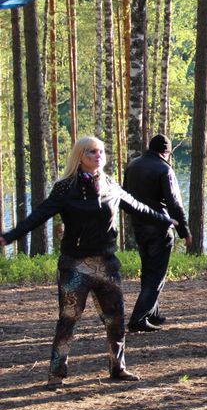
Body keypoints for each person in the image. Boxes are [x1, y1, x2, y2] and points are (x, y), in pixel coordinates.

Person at [0, 136, 174, 389]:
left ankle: (118, 368)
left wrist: (166, 220)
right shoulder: (65, 188)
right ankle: (56, 373)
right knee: (68, 319)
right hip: (74, 266)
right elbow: (39, 215)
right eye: (91, 152)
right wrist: (9, 236)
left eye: (101, 151)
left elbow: (138, 207)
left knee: (115, 319)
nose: (98, 155)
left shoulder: (110, 185)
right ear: (80, 156)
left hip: (107, 265)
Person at [123, 134, 192, 332]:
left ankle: (152, 313)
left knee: (148, 270)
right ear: (166, 152)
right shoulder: (164, 169)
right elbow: (174, 204)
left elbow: (124, 196)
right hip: (160, 228)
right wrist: (184, 231)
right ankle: (138, 318)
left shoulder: (133, 165)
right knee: (156, 275)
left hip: (139, 226)